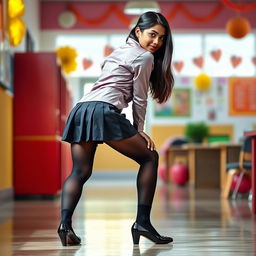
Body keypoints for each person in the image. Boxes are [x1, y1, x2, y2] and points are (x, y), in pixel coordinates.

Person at [58, 11, 174, 246]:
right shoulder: (144, 58)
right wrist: (139, 128)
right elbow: (140, 98)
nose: (157, 42)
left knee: (80, 171)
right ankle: (142, 223)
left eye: (162, 38)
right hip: (103, 110)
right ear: (138, 31)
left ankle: (65, 225)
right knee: (150, 157)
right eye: (152, 35)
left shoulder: (119, 52)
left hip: (81, 108)